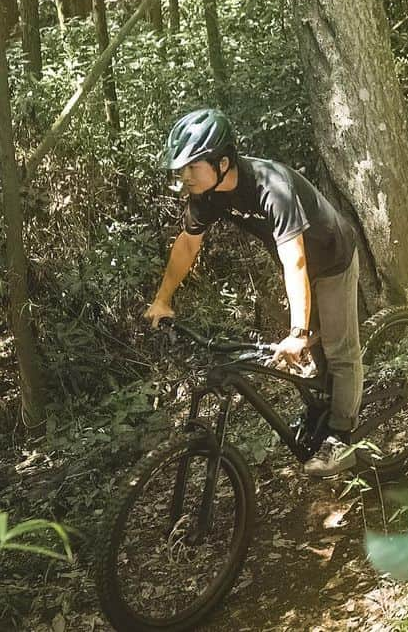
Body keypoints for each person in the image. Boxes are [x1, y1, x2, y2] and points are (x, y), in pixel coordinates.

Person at [145, 108, 363, 478]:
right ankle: (323, 405)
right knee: (312, 348)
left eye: (192, 167)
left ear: (223, 162)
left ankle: (342, 437)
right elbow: (186, 245)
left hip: (330, 257)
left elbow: (296, 260)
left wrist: (296, 332)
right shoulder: (206, 194)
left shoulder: (270, 185)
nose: (184, 177)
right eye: (180, 170)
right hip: (294, 261)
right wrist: (162, 299)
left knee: (338, 348)